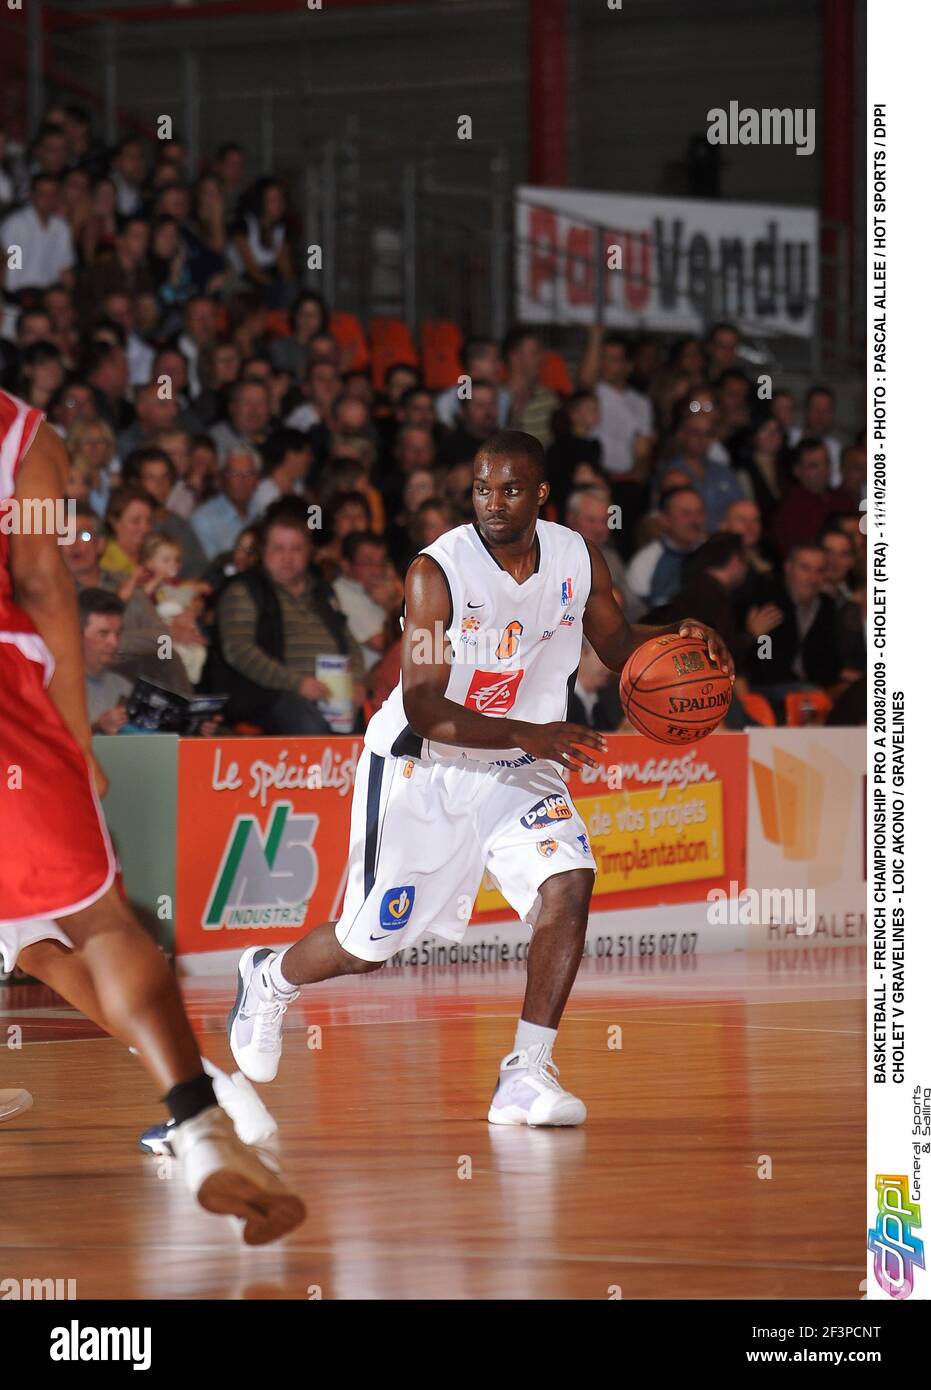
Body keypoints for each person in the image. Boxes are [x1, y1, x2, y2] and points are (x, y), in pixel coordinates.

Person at [226, 429, 733, 1126]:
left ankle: (525, 1072)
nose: (493, 503)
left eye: (511, 489)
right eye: (481, 489)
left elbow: (615, 644)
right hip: (421, 767)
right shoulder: (436, 574)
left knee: (570, 882)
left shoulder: (575, 557)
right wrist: (533, 731)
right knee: (363, 949)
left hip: (518, 769)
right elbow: (424, 704)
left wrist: (675, 632)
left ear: (541, 494)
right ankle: (269, 976)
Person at [0, 387, 304, 1241]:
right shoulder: (26, 436)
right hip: (9, 704)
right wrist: (71, 741)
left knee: (38, 943)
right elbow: (43, 583)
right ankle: (203, 1123)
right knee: (96, 923)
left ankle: (214, 1105)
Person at [213, 509, 366, 733]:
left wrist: (358, 682)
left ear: (309, 553)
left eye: (296, 549)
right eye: (278, 548)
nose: (288, 557)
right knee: (306, 720)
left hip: (334, 695)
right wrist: (297, 683)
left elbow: (349, 642)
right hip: (270, 695)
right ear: (263, 551)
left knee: (370, 730)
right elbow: (239, 650)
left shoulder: (322, 592)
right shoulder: (245, 589)